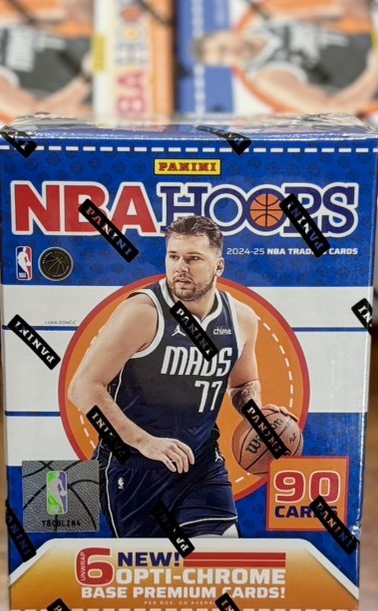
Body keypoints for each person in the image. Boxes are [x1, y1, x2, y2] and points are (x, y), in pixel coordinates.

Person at [66, 215, 291, 538]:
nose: (180, 268)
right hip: (134, 466)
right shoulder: (143, 312)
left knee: (221, 554)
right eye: (173, 257)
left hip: (202, 463)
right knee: (153, 566)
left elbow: (243, 384)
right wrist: (146, 443)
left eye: (193, 258)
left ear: (219, 266)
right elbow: (83, 388)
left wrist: (259, 416)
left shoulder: (241, 319)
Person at [192, 0, 378, 113]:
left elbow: (332, 14)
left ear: (226, 33)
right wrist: (375, 71)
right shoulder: (268, 76)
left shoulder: (268, 24)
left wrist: (352, 2)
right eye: (223, 59)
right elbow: (331, 108)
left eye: (223, 48)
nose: (230, 54)